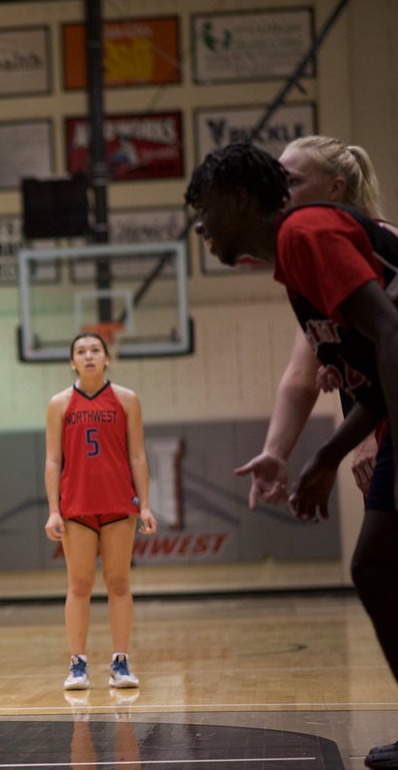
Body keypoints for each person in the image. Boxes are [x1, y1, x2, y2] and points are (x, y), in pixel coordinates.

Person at [185, 142, 398, 769]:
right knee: (376, 565)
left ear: (244, 201)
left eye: (206, 210)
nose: (201, 226)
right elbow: (375, 373)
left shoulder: (307, 232)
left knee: (382, 563)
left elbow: (391, 333)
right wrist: (325, 456)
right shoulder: (294, 260)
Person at [235, 136, 391, 507]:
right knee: (373, 563)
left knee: (372, 562)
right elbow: (301, 373)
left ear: (336, 188)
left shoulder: (374, 242)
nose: (281, 195)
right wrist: (275, 452)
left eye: (292, 183)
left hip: (384, 415)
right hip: (377, 412)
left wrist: (372, 436)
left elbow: (391, 341)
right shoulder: (312, 248)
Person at [44, 332, 157, 691]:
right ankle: (77, 664)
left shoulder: (127, 400)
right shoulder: (59, 404)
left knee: (119, 582)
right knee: (78, 584)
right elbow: (52, 460)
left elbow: (137, 454)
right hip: (76, 507)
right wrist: (53, 510)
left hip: (118, 504)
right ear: (72, 361)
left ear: (107, 358)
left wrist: (147, 504)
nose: (89, 356)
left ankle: (121, 662)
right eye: (81, 351)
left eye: (95, 350)